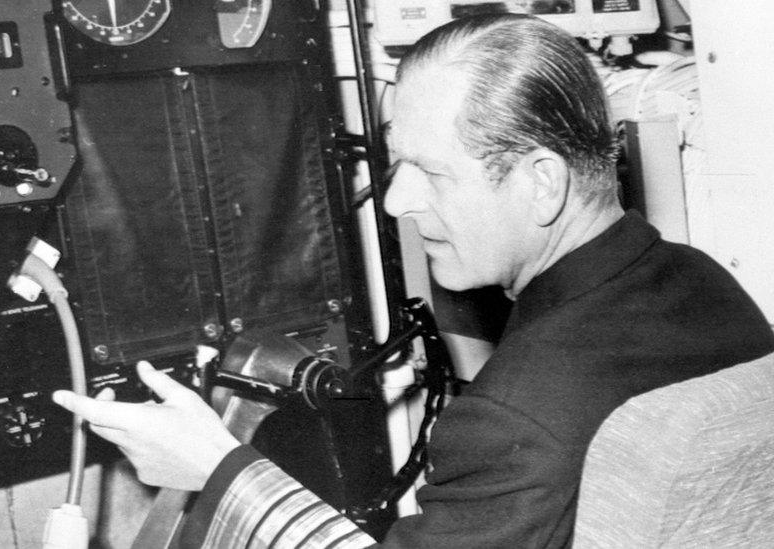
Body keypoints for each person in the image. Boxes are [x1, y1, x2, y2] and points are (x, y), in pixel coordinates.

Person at [52, 13, 774, 548]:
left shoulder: (516, 418)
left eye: (428, 172)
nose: (395, 202)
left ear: (541, 183)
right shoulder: (705, 284)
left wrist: (215, 466)